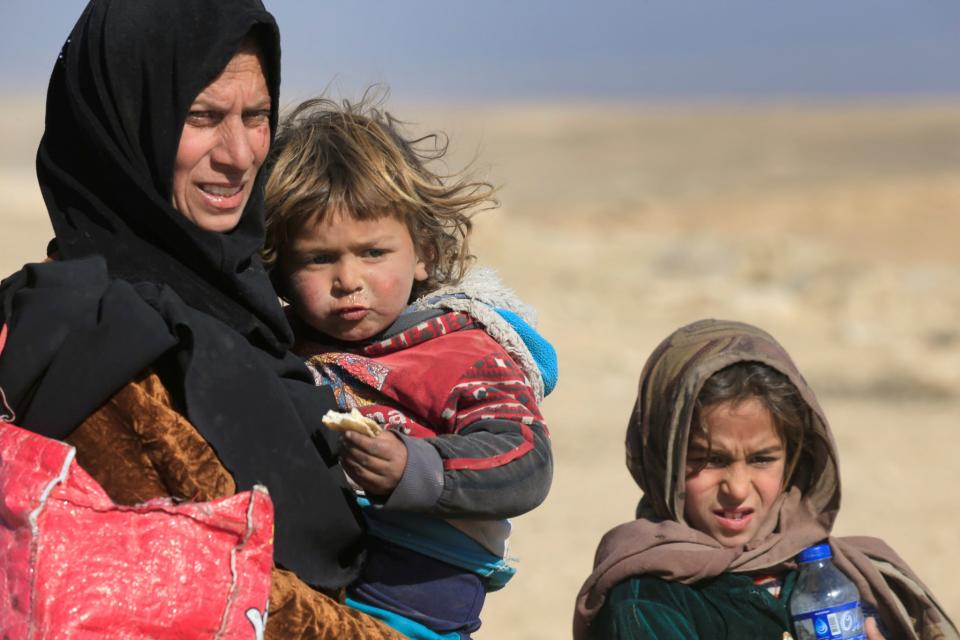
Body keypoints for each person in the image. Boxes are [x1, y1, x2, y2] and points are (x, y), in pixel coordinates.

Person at [0, 1, 403, 637]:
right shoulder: (100, 343)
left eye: (258, 117)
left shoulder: (273, 302)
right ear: (124, 124)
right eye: (201, 116)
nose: (240, 155)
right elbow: (223, 592)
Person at [262, 96, 556, 639]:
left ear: (422, 251)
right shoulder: (278, 346)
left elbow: (524, 458)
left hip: (416, 607)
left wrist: (415, 469)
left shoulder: (459, 349)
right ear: (279, 270)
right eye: (319, 258)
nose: (348, 279)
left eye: (373, 253)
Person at [572, 319, 958, 640]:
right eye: (709, 460)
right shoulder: (647, 602)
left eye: (761, 459)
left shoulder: (836, 577)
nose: (737, 489)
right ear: (664, 460)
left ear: (794, 460)